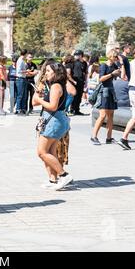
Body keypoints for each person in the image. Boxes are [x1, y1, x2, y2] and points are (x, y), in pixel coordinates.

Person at [33, 62, 73, 190]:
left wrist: (39, 100)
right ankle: (53, 180)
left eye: (49, 71)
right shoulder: (51, 86)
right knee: (50, 151)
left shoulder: (56, 87)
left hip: (54, 120)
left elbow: (52, 106)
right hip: (52, 119)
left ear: (56, 73)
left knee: (41, 152)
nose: (46, 73)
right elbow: (34, 102)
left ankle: (64, 175)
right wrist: (39, 94)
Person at [91, 50, 122, 145]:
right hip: (104, 91)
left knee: (110, 116)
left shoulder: (114, 66)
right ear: (110, 56)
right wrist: (112, 74)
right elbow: (101, 79)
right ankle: (93, 136)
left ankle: (109, 138)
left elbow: (122, 74)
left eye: (117, 57)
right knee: (102, 115)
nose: (116, 58)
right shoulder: (104, 65)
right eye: (115, 56)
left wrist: (121, 64)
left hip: (111, 90)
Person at [70, 50, 87, 115]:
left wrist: (85, 81)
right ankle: (72, 109)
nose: (76, 56)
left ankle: (77, 110)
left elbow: (85, 72)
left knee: (79, 96)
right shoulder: (73, 62)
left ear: (81, 55)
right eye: (76, 55)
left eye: (78, 55)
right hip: (74, 80)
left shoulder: (84, 63)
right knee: (74, 95)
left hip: (81, 81)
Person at [15, 50, 29, 115]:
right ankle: (18, 109)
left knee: (24, 95)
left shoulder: (22, 60)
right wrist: (26, 71)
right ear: (25, 54)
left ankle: (22, 109)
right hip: (20, 79)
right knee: (20, 95)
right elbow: (19, 71)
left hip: (23, 78)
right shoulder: (20, 61)